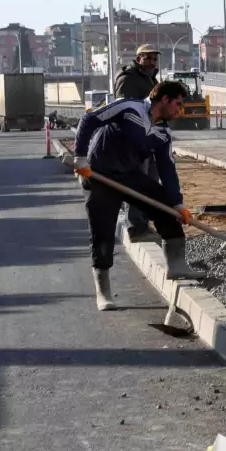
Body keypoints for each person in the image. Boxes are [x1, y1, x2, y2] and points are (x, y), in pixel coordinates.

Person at [72, 80, 194, 311]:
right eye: (178, 104)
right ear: (165, 99)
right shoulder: (129, 107)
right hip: (99, 175)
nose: (180, 110)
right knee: (102, 232)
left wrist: (177, 204)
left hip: (128, 175)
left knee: (165, 208)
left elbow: (167, 169)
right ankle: (103, 292)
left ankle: (176, 265)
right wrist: (80, 157)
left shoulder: (163, 133)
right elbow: (89, 119)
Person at [113, 44, 161, 239]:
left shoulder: (149, 78)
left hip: (150, 136)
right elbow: (126, 110)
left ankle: (142, 222)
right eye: (148, 58)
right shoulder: (128, 79)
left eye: (154, 59)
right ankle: (135, 226)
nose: (152, 62)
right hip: (135, 139)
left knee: (149, 182)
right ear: (139, 58)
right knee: (137, 182)